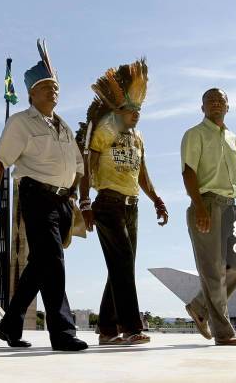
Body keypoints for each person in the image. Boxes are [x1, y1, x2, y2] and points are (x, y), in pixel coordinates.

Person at [0, 40, 87, 352]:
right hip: (36, 196)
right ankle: (62, 333)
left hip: (62, 201)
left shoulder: (64, 126)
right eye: (45, 87)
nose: (52, 91)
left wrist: (75, 195)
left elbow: (78, 165)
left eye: (55, 87)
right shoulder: (20, 122)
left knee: (39, 264)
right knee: (53, 262)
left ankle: (10, 324)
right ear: (31, 93)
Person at [78, 59, 168, 346]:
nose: (135, 115)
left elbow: (142, 173)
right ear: (118, 109)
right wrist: (85, 203)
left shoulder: (138, 137)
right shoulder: (105, 130)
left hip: (133, 205)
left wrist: (156, 199)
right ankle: (131, 327)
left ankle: (106, 329)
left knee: (121, 266)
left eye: (138, 110)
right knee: (123, 263)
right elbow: (87, 165)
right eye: (130, 109)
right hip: (108, 203)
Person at [180, 88, 236, 346]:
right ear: (202, 108)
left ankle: (199, 307)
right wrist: (199, 206)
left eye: (220, 100)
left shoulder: (234, 139)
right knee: (213, 271)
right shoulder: (194, 135)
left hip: (232, 207)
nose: (215, 104)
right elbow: (188, 172)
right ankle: (223, 333)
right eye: (209, 101)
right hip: (207, 204)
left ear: (227, 106)